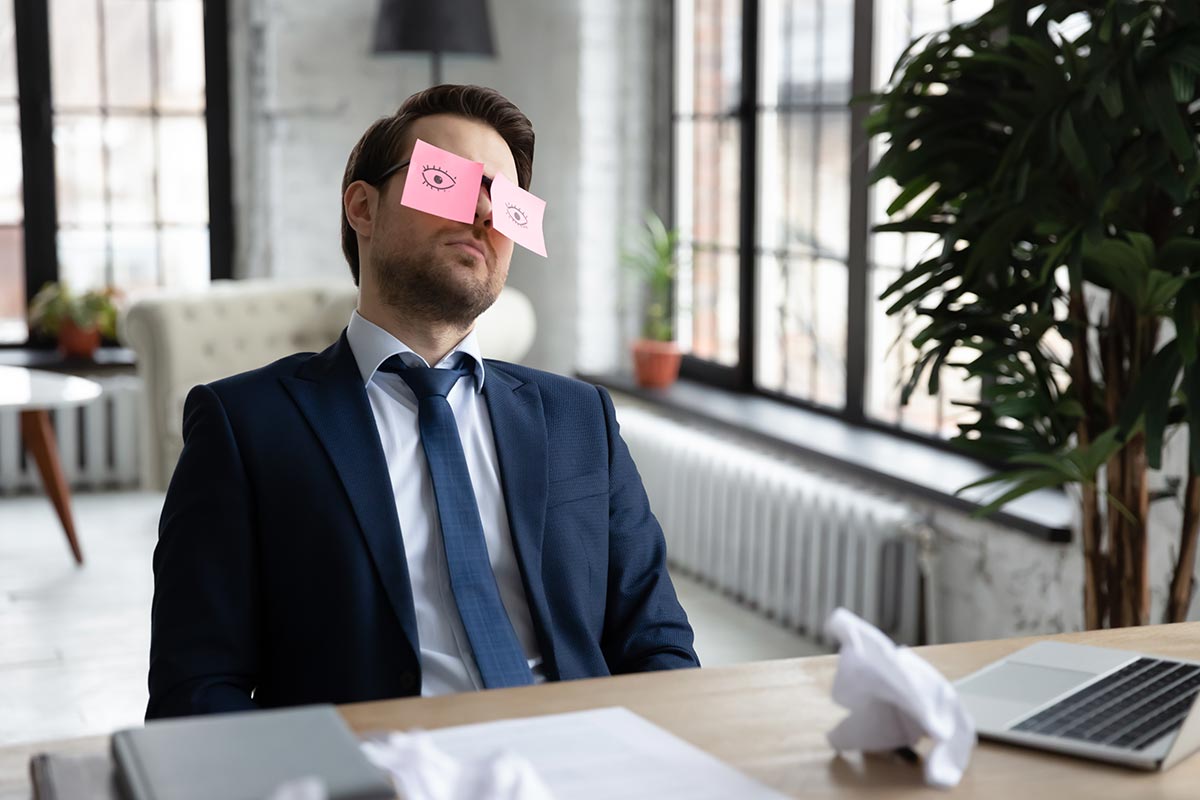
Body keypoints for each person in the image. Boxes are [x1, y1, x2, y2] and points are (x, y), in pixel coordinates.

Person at [146, 84, 698, 719]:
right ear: (364, 208)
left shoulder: (582, 419)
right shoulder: (244, 426)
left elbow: (656, 640)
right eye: (452, 183)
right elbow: (196, 690)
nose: (485, 214)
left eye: (506, 201)